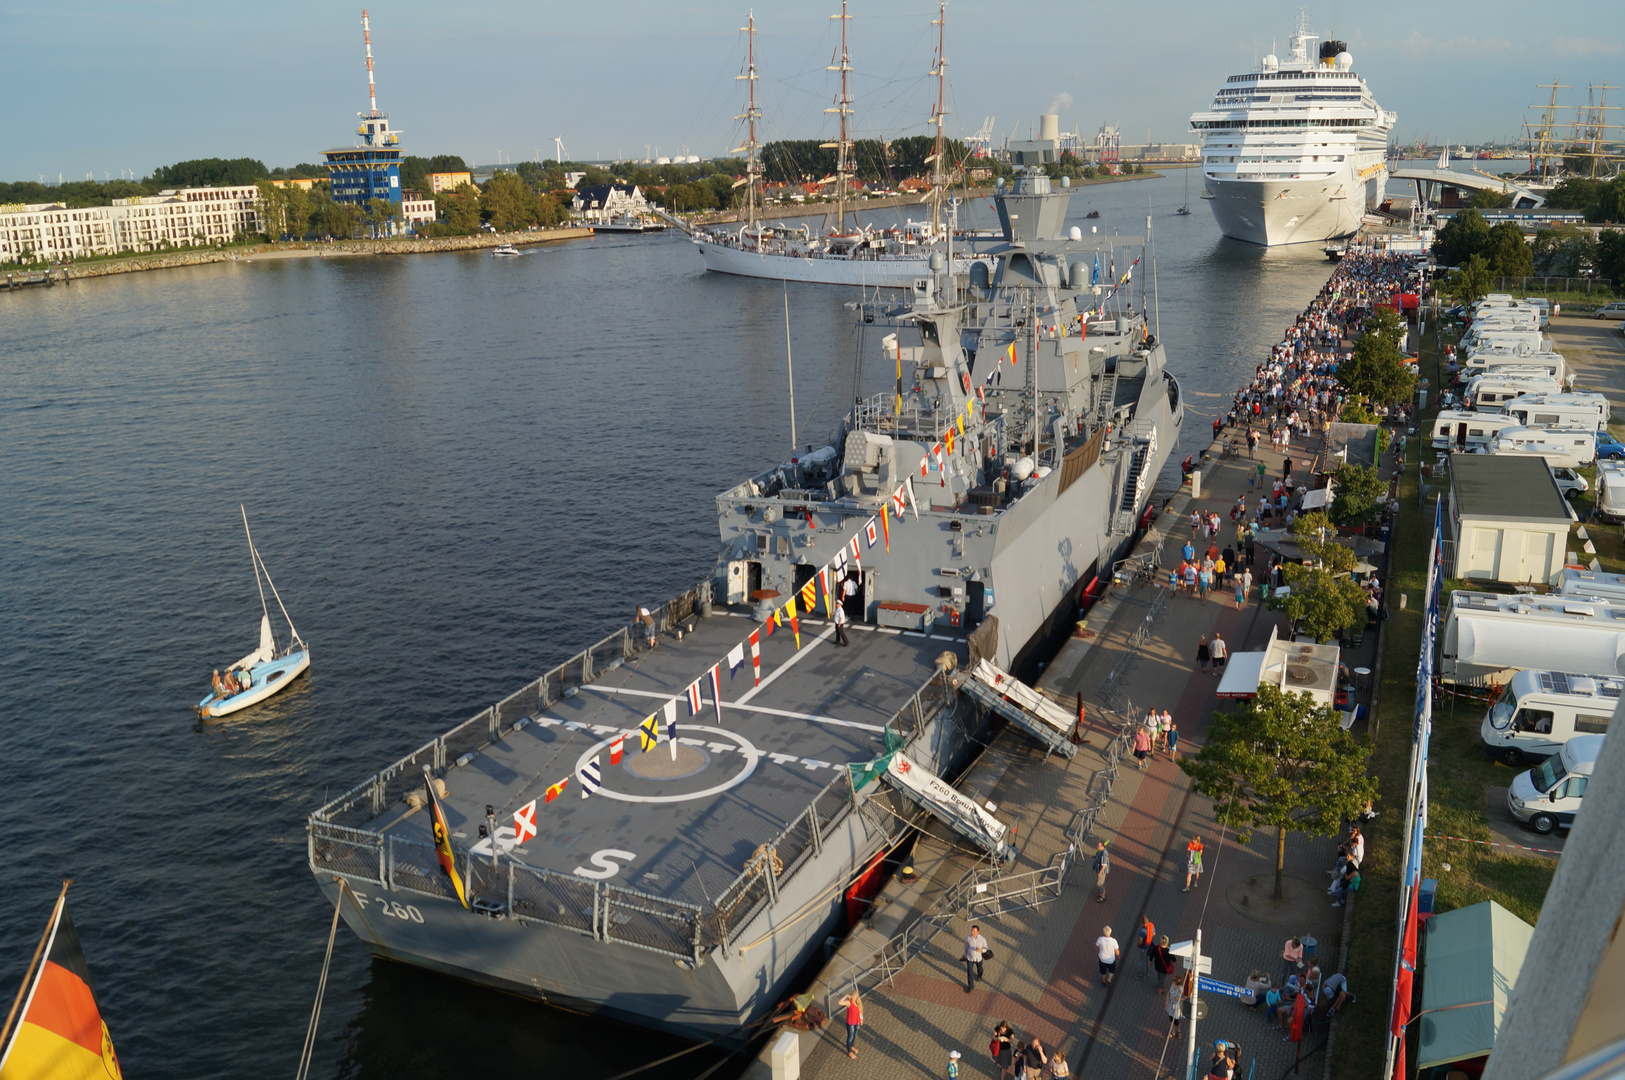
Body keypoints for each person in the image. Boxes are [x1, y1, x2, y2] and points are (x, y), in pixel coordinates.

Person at [963, 924, 989, 992]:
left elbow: (986, 949)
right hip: (970, 958)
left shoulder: (982, 939)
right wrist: (965, 954)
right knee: (969, 972)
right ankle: (971, 986)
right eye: (971, 930)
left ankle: (979, 975)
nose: (972, 932)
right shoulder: (968, 938)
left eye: (974, 931)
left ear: (978, 932)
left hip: (978, 958)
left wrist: (981, 950)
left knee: (980, 968)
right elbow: (966, 946)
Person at [839, 992, 863, 1058]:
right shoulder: (849, 1003)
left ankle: (852, 1046)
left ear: (857, 997)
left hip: (857, 1022)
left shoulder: (858, 1003)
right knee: (850, 1037)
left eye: (854, 996)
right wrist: (846, 995)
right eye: (852, 996)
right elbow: (840, 1002)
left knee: (854, 1035)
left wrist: (861, 1019)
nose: (853, 997)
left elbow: (860, 1011)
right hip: (851, 1024)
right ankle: (849, 1052)